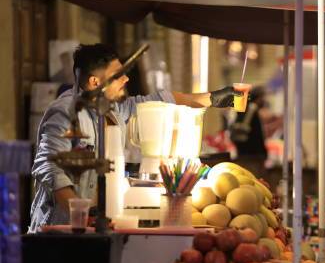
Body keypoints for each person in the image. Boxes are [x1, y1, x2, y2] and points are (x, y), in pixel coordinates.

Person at [29, 43, 237, 232]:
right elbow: (51, 168)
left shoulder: (114, 108)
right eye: (118, 75)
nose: (126, 79)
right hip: (60, 230)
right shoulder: (65, 113)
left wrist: (214, 98)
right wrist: (80, 213)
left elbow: (162, 100)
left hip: (99, 227)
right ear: (94, 82)